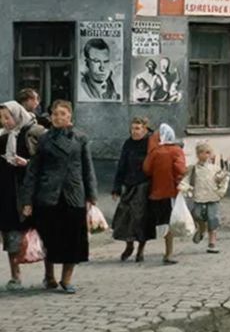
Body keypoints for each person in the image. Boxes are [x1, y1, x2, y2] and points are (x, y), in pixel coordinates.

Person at [20, 100, 97, 293]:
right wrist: (27, 200)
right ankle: (50, 275)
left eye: (63, 114)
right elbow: (33, 170)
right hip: (48, 194)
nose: (58, 117)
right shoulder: (45, 139)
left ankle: (67, 279)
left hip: (73, 193)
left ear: (70, 116)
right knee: (50, 237)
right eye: (55, 114)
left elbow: (88, 168)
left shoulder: (80, 138)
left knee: (73, 238)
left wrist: (92, 195)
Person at [0, 102, 43, 290]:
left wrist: (27, 163)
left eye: (7, 117)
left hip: (30, 190)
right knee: (10, 232)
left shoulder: (34, 133)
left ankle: (49, 274)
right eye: (1, 118)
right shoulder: (2, 137)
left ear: (17, 115)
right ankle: (15, 274)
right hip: (7, 190)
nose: (4, 122)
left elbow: (45, 161)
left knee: (40, 230)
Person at [111, 117, 158, 262]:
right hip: (129, 184)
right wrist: (117, 187)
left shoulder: (150, 143)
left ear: (144, 129)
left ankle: (141, 250)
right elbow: (122, 164)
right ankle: (129, 245)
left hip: (144, 185)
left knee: (141, 219)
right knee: (124, 216)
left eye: (137, 129)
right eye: (132, 128)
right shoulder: (128, 143)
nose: (134, 132)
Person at [143, 123, 186, 264]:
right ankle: (168, 253)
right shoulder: (176, 150)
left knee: (161, 222)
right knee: (169, 222)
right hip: (172, 191)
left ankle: (144, 251)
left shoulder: (155, 152)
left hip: (156, 191)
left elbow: (146, 169)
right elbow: (181, 169)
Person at [178, 143, 229, 253]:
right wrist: (183, 187)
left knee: (213, 218)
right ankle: (201, 230)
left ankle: (212, 242)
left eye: (207, 152)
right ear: (197, 154)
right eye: (201, 152)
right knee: (197, 214)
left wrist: (221, 190)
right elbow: (186, 180)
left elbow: (222, 180)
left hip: (212, 196)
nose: (204, 155)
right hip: (199, 196)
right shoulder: (193, 168)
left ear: (211, 154)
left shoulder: (215, 168)